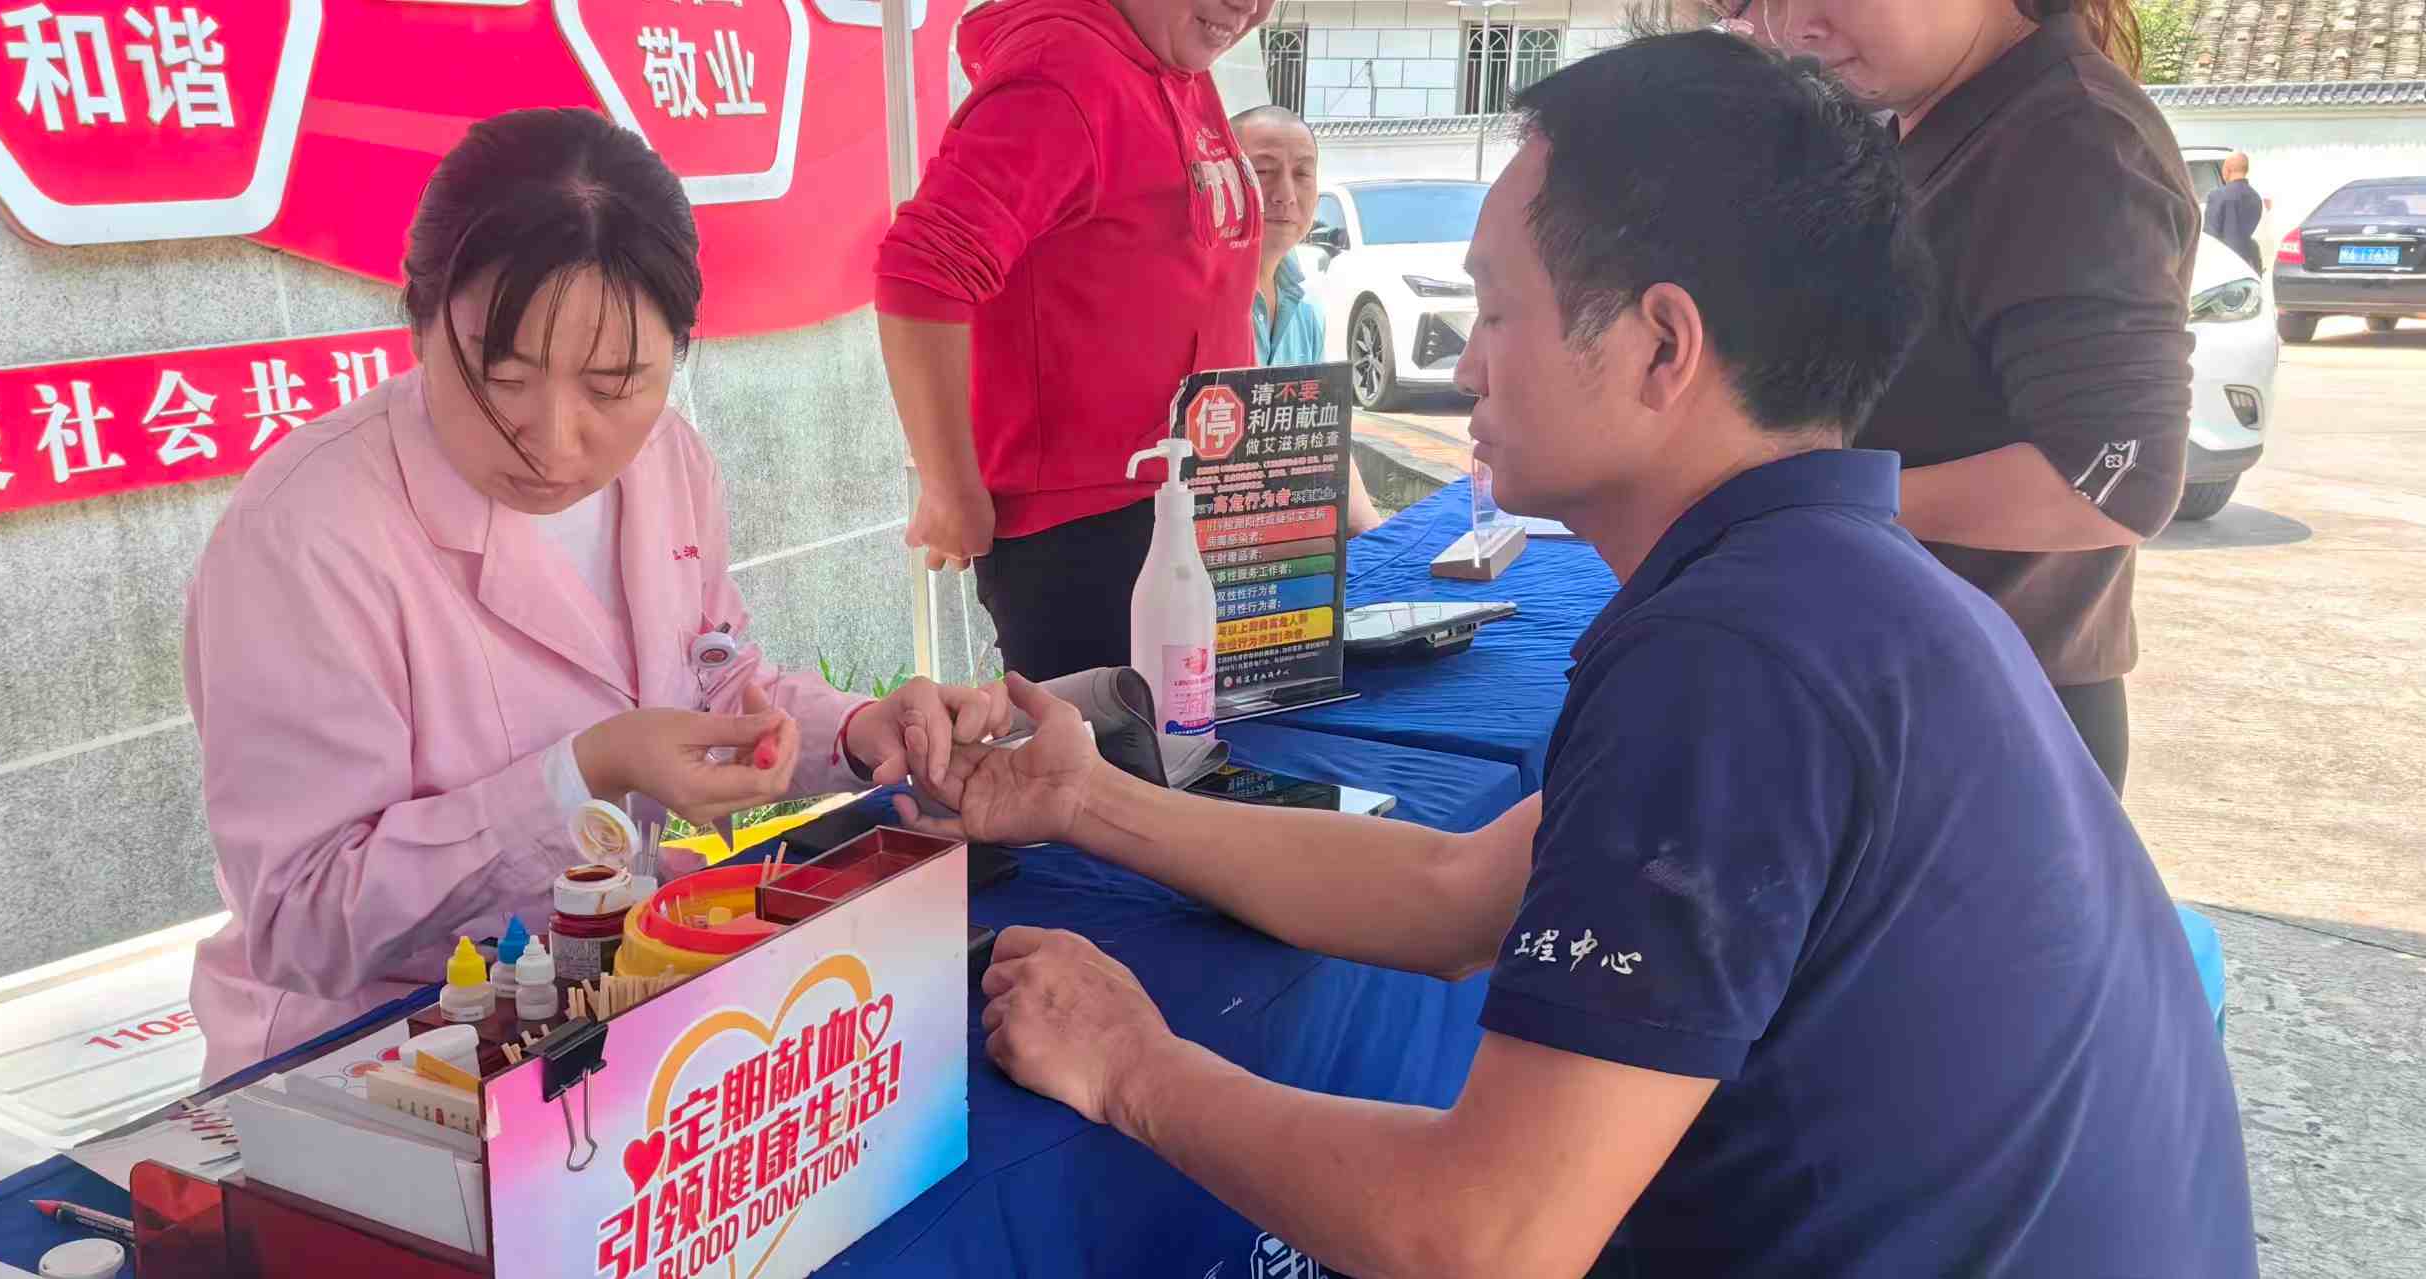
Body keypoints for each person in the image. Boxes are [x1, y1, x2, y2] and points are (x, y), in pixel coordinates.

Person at [897, 35, 2254, 1276]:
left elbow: (1486, 1234)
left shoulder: (1739, 658)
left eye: (1497, 312)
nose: (1467, 368)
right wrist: (1088, 801)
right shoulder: (1841, 588)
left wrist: (1134, 1066)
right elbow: (1451, 891)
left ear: (1663, 344)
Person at [181, 109, 1010, 1079]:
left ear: (676, 352)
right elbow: (302, 916)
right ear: (419, 323)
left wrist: (860, 731)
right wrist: (584, 775)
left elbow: (713, 677)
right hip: (375, 1053)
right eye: (501, 375)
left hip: (592, 999)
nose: (555, 440)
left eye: (614, 384)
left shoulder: (667, 462)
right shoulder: (305, 533)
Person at [1742, 0, 2200, 793]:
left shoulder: (2073, 142)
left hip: (1987, 722)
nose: (1792, 28)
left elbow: (2115, 480)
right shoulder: (1927, 122)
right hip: (1896, 679)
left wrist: (1795, 502)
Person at [878, 0, 1272, 679]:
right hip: (1093, 536)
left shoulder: (1170, 56)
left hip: (1192, 500)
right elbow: (923, 271)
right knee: (1120, 745)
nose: (1250, 5)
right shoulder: (1063, 71)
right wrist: (951, 489)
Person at [1233, 103, 1383, 535]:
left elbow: (1326, 443)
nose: (1285, 194)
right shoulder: (1198, 304)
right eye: (1263, 172)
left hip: (1287, 543)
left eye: (1302, 174)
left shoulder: (1307, 308)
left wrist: (1378, 540)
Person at [2205, 150, 2267, 273]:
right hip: (2249, 261)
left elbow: (2210, 236)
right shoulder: (2255, 197)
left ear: (2227, 170)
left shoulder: (2217, 195)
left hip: (2223, 261)